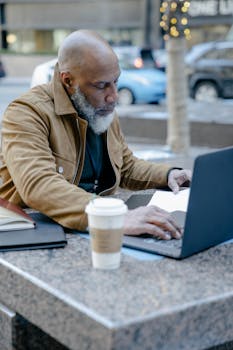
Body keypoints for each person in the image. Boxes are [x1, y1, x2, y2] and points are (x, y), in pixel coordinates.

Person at [0, 30, 191, 240]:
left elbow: (126, 165)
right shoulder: (26, 112)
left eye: (116, 82)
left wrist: (169, 174)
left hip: (91, 221)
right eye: (101, 86)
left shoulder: (100, 107)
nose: (113, 97)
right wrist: (114, 216)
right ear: (68, 80)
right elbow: (38, 184)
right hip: (35, 231)